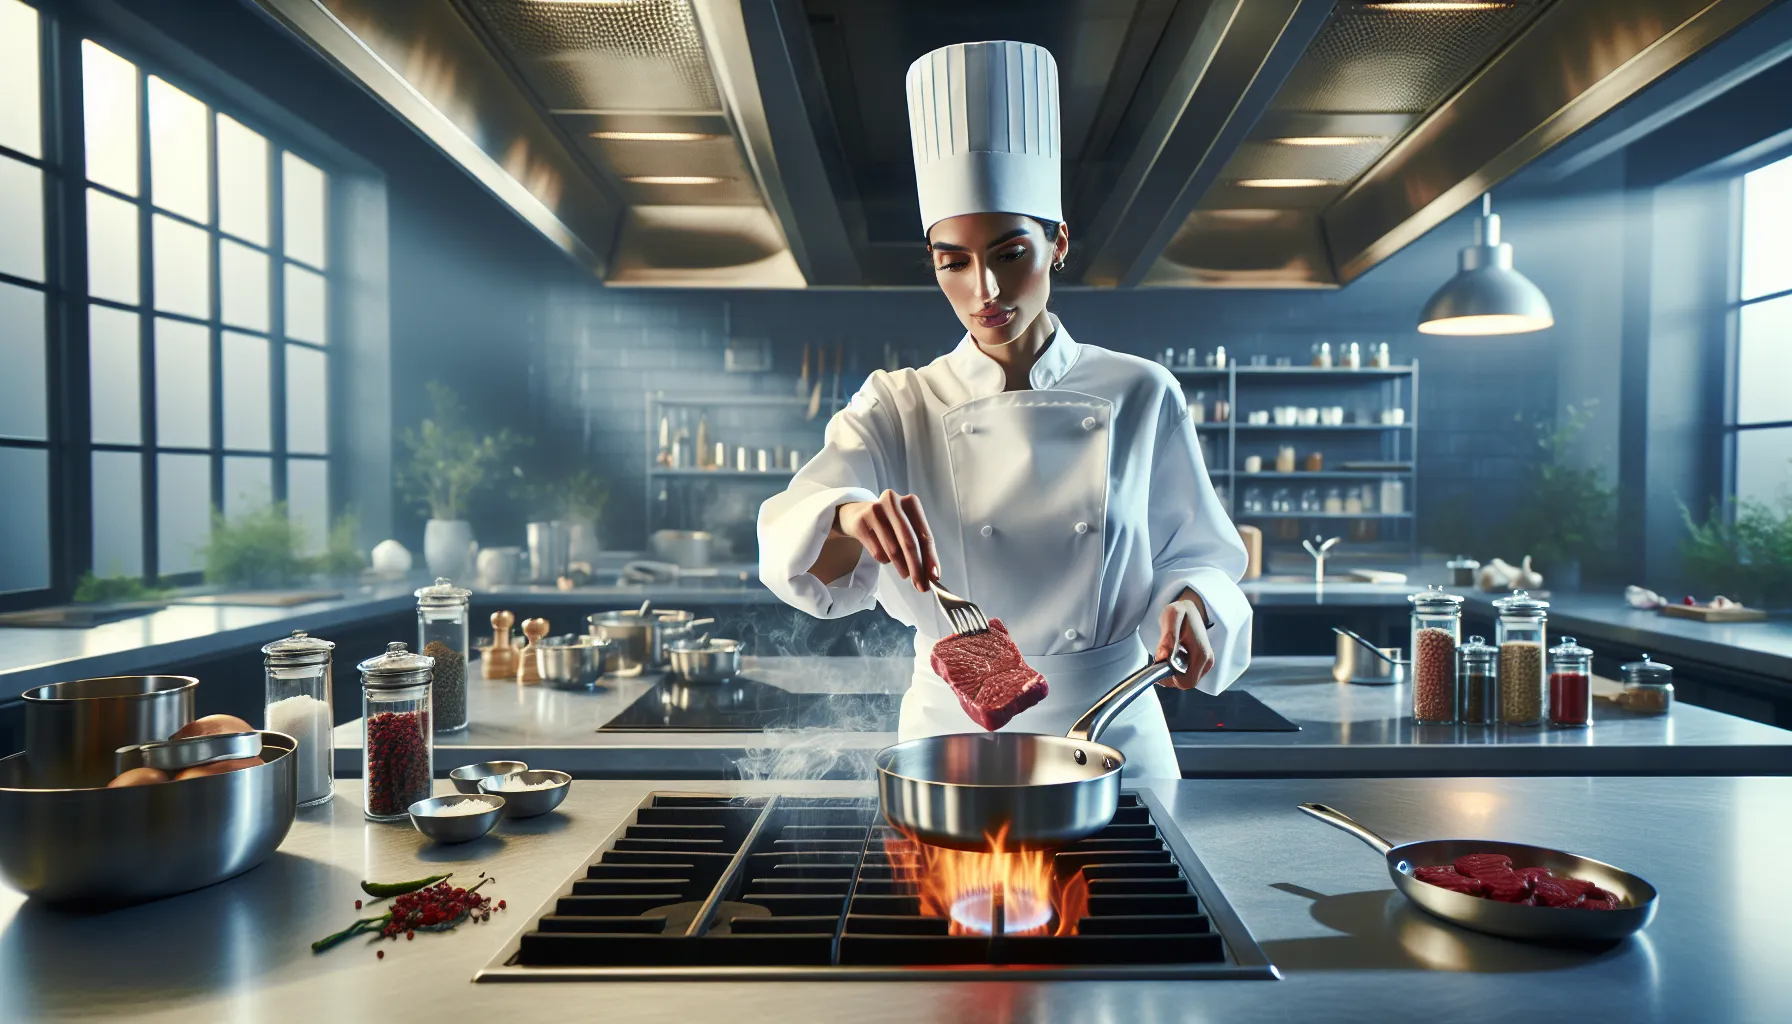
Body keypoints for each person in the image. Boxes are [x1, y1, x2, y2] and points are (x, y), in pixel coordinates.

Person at [757, 40, 1250, 778]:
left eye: (1010, 252)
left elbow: (1200, 555)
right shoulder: (900, 402)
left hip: (1112, 734)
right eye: (953, 260)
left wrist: (1192, 603)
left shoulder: (1143, 391)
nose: (984, 287)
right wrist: (847, 516)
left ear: (1058, 244)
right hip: (952, 743)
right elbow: (797, 548)